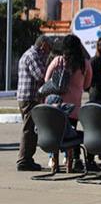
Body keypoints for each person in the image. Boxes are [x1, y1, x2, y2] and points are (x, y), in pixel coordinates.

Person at [45, 34, 92, 172]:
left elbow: (47, 79)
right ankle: (68, 158)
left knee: (55, 131)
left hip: (56, 106)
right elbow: (87, 84)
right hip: (74, 107)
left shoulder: (58, 60)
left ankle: (52, 158)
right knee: (70, 134)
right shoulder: (85, 64)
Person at [16, 35, 52, 171]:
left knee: (31, 129)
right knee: (29, 130)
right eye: (49, 47)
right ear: (43, 45)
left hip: (29, 97)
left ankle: (27, 158)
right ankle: (24, 160)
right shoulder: (33, 56)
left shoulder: (33, 54)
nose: (50, 50)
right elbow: (41, 75)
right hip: (29, 98)